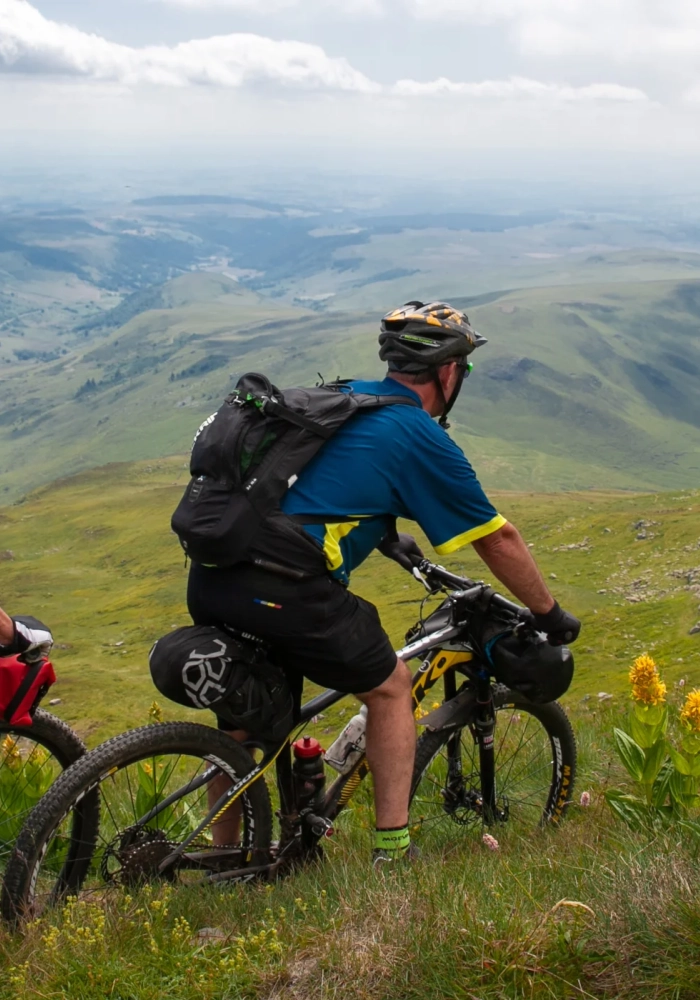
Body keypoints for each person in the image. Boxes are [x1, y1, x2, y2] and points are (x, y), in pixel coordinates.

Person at [187, 301, 580, 865]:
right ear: (449, 371)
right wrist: (547, 613)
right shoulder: (415, 431)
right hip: (285, 587)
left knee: (247, 724)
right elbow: (497, 540)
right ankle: (394, 850)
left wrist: (384, 533)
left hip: (214, 574)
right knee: (391, 687)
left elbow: (321, 485)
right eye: (462, 370)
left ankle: (227, 861)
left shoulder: (343, 398)